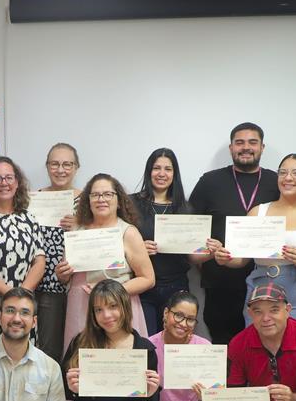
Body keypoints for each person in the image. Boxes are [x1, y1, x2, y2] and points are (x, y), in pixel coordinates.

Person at [214, 153, 296, 333]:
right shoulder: (257, 212)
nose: (288, 178)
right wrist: (224, 258)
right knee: (258, 350)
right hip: (260, 288)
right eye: (282, 172)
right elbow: (241, 260)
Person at [188, 122, 279, 344]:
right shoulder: (210, 182)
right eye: (239, 142)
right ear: (231, 148)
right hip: (220, 284)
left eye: (252, 142)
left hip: (268, 282)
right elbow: (189, 229)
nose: (245, 147)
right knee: (225, 348)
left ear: (262, 147)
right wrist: (204, 256)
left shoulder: (277, 181)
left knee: (265, 345)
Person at [57, 174, 155, 354]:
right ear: (88, 201)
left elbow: (148, 279)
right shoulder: (76, 230)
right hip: (81, 305)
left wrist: (112, 290)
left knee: (120, 365)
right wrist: (62, 275)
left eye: (108, 194)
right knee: (82, 363)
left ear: (118, 201)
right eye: (95, 195)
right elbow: (66, 277)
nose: (101, 199)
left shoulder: (128, 232)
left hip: (117, 306)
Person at [0, 157, 46, 343]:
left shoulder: (29, 217)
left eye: (9, 177)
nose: (4, 183)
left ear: (17, 182)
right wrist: (11, 295)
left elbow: (39, 260)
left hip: (24, 306)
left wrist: (22, 295)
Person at [130, 148, 202, 332]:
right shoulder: (130, 204)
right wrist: (137, 249)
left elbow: (192, 257)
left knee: (174, 343)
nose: (162, 174)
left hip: (176, 286)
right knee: (145, 343)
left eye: (168, 169)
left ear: (174, 174)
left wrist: (209, 252)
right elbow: (118, 241)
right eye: (156, 168)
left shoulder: (186, 209)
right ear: (148, 171)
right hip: (140, 286)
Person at [34, 143, 82, 364]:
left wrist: (81, 225)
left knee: (73, 350)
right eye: (55, 164)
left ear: (76, 167)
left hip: (77, 287)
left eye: (67, 164)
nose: (61, 169)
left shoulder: (87, 201)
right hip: (40, 285)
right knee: (43, 350)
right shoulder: (32, 199)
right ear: (47, 166)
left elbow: (103, 238)